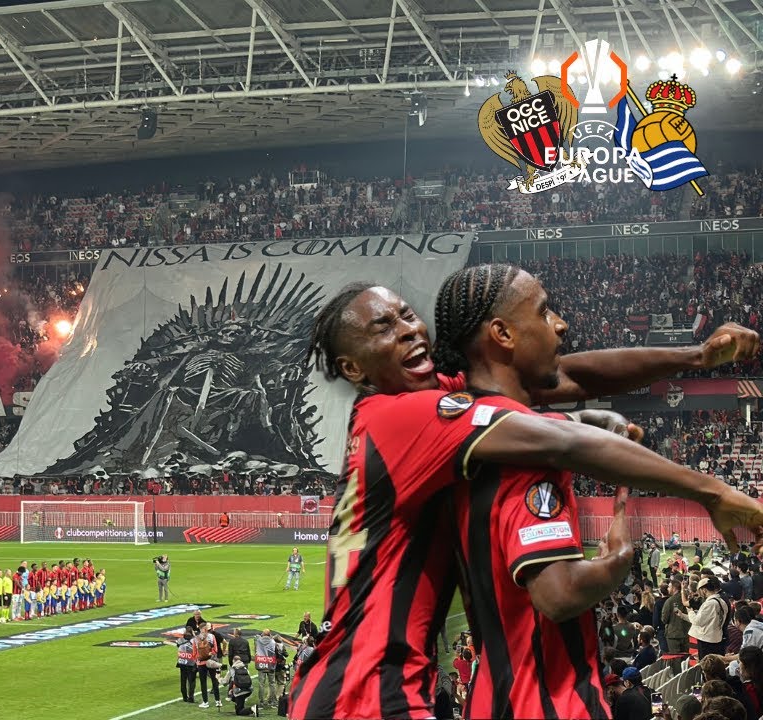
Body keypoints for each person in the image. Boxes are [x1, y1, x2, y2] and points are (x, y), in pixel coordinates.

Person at [290, 277, 763, 720]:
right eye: (383, 326)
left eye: (407, 314)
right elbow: (563, 447)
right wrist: (712, 491)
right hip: (363, 691)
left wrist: (695, 356)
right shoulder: (403, 416)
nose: (409, 329)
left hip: (366, 681)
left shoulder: (423, 403)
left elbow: (568, 376)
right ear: (353, 369)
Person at [429, 264, 763, 719]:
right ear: (502, 334)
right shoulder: (526, 450)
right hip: (548, 704)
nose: (561, 324)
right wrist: (620, 557)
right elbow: (558, 594)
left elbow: (581, 375)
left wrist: (697, 356)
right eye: (543, 312)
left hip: (495, 695)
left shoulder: (472, 415)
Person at [681, 577, 730, 658]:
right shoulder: (721, 601)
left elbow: (697, 621)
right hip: (716, 637)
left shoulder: (710, 604)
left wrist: (690, 611)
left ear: (704, 590)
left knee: (707, 662)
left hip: (707, 640)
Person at [194, 623, 222, 708]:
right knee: (214, 680)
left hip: (201, 663)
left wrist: (197, 660)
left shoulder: (196, 638)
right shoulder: (212, 636)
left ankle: (205, 702)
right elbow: (215, 650)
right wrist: (210, 654)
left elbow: (194, 652)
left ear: (200, 629)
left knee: (203, 683)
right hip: (210, 661)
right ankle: (218, 701)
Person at [664, 579, 693, 654]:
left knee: (675, 657)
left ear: (674, 588)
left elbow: (664, 618)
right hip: (686, 632)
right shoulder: (688, 599)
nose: (668, 589)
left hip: (673, 635)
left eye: (669, 587)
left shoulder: (669, 601)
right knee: (686, 656)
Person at [254, 628, 279, 708]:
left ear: (263, 634)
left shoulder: (258, 640)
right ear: (269, 634)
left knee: (261, 684)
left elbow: (255, 646)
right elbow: (276, 652)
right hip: (270, 664)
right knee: (272, 683)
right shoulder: (273, 642)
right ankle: (273, 701)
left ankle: (261, 702)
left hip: (261, 664)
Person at [177, 628, 197, 703]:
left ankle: (184, 697)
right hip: (191, 663)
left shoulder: (180, 640)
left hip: (182, 662)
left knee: (183, 680)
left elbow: (178, 645)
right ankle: (191, 697)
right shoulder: (194, 640)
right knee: (191, 681)